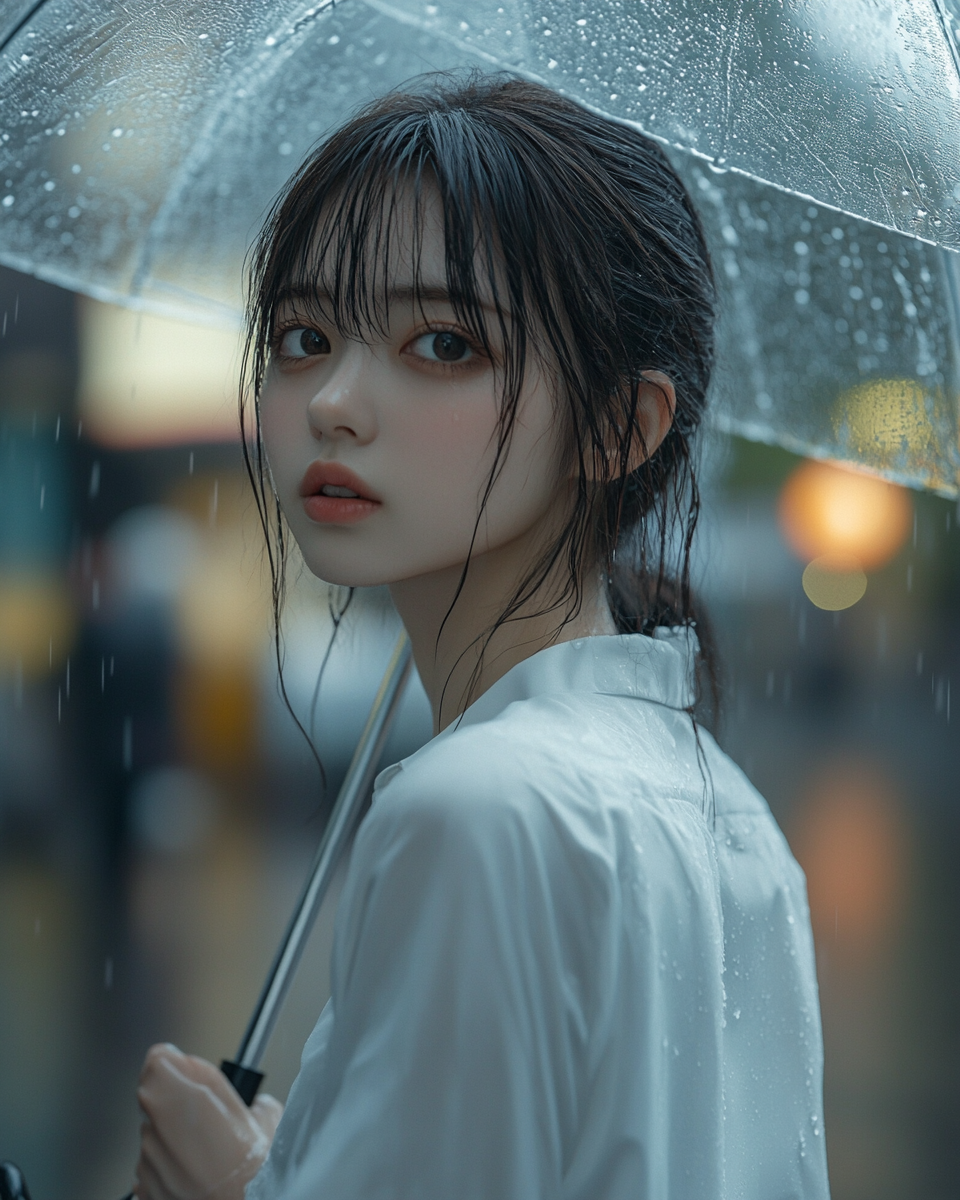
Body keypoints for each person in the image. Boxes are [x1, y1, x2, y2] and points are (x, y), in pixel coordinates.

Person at [133, 74, 830, 1200]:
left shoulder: (475, 809)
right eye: (305, 334)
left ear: (619, 426)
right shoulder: (726, 810)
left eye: (444, 345)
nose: (334, 402)